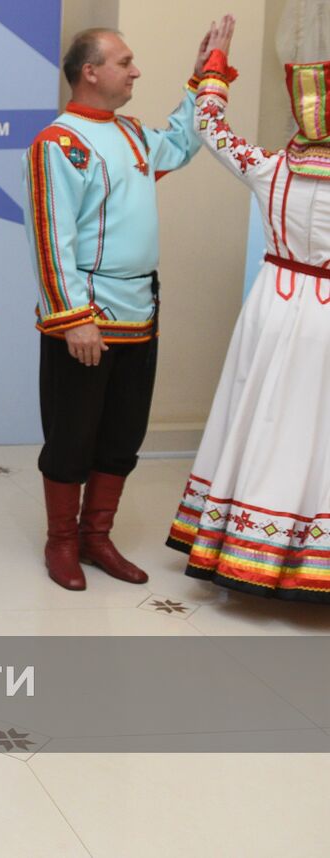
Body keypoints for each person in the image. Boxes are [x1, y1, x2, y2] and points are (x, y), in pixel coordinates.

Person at [22, 25, 216, 590]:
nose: (135, 72)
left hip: (139, 309)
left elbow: (180, 142)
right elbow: (49, 237)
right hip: (86, 317)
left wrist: (204, 78)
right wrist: (75, 319)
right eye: (125, 62)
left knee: (122, 432)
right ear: (91, 72)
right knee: (71, 434)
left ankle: (95, 537)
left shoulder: (131, 134)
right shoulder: (57, 144)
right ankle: (61, 542)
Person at [167, 19, 330, 602]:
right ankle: (309, 555)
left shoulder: (268, 167)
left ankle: (240, 541)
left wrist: (213, 69)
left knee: (263, 412)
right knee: (319, 429)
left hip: (275, 301)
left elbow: (211, 127)